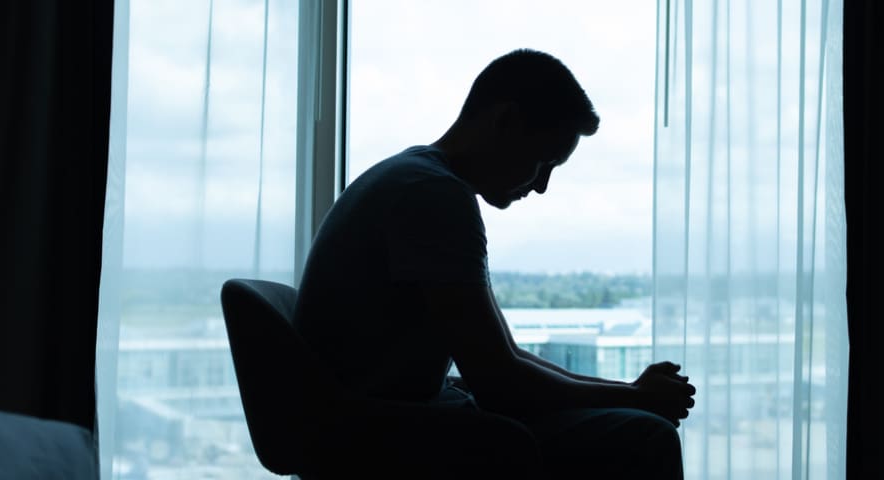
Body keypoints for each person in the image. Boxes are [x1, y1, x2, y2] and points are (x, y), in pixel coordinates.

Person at [293, 48, 695, 479]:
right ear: (506, 122)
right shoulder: (433, 196)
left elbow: (507, 359)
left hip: (375, 424)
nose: (541, 187)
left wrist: (628, 391)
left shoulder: (414, 178)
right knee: (646, 437)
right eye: (543, 162)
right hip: (383, 439)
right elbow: (501, 384)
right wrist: (634, 398)